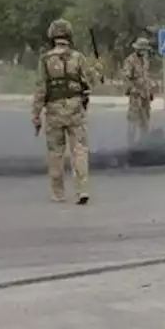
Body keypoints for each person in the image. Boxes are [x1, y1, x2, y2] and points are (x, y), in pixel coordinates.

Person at [32, 19, 99, 203]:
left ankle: (58, 193)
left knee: (55, 152)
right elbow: (91, 82)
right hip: (75, 109)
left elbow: (41, 89)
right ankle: (82, 190)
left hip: (54, 110)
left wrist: (36, 114)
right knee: (79, 150)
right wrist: (97, 72)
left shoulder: (45, 60)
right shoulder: (78, 58)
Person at [120, 37, 155, 146]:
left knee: (145, 121)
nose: (144, 51)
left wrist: (150, 90)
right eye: (142, 49)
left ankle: (143, 143)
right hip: (136, 95)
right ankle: (131, 144)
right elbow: (126, 78)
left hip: (145, 94)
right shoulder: (130, 60)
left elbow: (146, 76)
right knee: (133, 120)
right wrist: (132, 90)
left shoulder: (145, 60)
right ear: (137, 49)